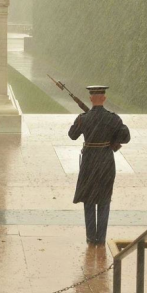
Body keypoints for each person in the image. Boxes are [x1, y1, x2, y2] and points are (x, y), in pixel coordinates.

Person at [68, 85, 130, 245]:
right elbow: (125, 136)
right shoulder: (113, 118)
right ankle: (101, 238)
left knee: (88, 200)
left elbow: (72, 135)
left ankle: (91, 237)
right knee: (104, 200)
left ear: (90, 99)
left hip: (89, 162)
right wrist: (111, 139)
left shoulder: (84, 118)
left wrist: (82, 120)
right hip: (105, 161)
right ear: (104, 98)